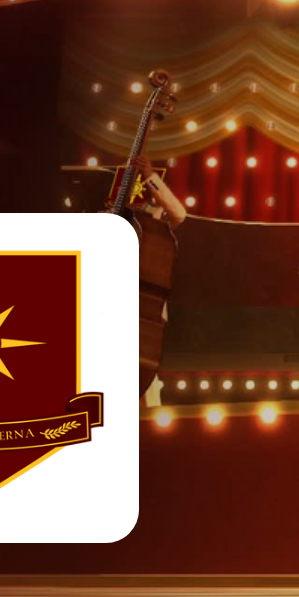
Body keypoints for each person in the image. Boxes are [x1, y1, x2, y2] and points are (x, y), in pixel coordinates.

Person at [128, 155, 187, 408]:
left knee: (144, 373)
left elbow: (179, 213)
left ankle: (148, 419)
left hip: (147, 310)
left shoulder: (155, 218)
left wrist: (149, 176)